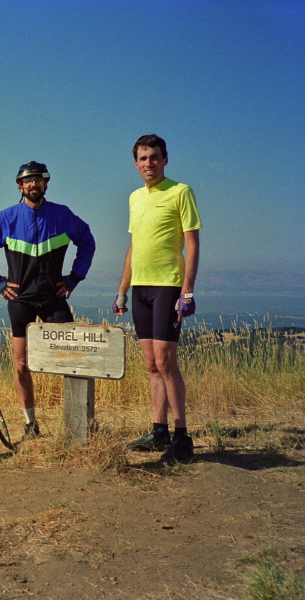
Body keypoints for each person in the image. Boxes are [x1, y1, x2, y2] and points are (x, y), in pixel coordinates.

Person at [0, 161, 96, 439]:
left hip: (54, 298)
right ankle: (31, 425)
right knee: (20, 364)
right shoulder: (6, 218)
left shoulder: (62, 215)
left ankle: (80, 425)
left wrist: (75, 277)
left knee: (74, 358)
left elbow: (87, 241)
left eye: (38, 180)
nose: (33, 184)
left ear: (45, 184)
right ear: (20, 186)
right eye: (28, 181)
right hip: (21, 300)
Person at [113, 134, 201, 463]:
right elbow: (134, 247)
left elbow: (192, 244)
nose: (148, 163)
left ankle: (182, 437)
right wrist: (123, 290)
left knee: (165, 362)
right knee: (151, 365)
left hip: (168, 286)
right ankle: (158, 431)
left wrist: (188, 291)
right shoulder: (135, 198)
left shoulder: (181, 192)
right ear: (135, 164)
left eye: (154, 157)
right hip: (141, 289)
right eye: (142, 158)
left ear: (165, 159)